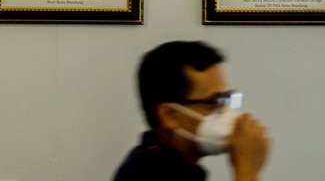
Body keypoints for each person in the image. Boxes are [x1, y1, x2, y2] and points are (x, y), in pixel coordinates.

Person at [112, 41, 271, 181]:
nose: (226, 110)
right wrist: (246, 170)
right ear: (169, 116)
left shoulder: (174, 166)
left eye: (227, 98)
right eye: (215, 101)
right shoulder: (147, 174)